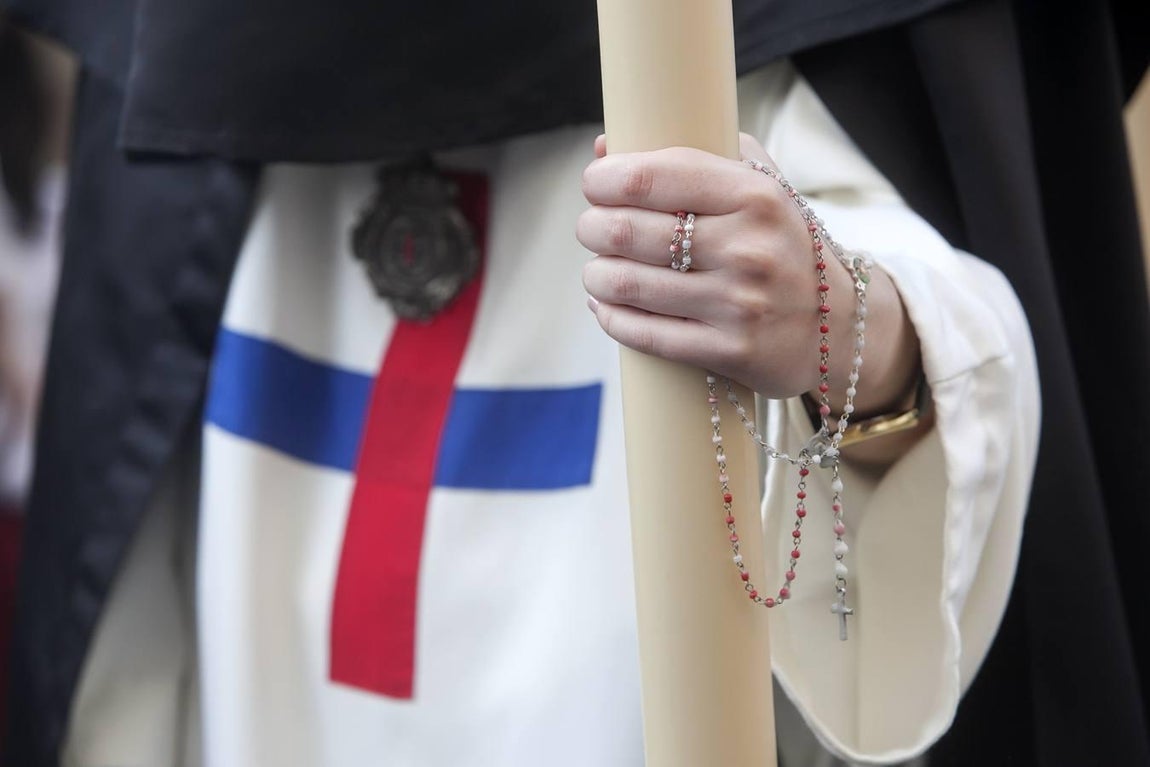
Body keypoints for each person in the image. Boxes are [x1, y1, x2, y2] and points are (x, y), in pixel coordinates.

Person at [4, 1, 1149, 766]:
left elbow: (941, 308)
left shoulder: (745, 41)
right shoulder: (194, 51)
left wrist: (848, 326)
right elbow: (122, 564)